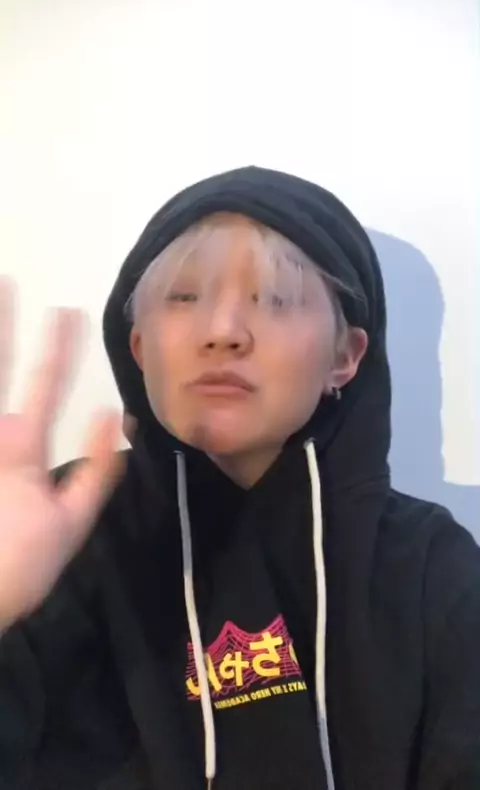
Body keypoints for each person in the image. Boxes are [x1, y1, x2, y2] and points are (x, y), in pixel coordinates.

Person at [0, 166, 479, 790]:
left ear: (345, 357)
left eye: (276, 299)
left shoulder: (430, 563)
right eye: (184, 298)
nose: (223, 332)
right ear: (138, 347)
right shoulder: (55, 535)